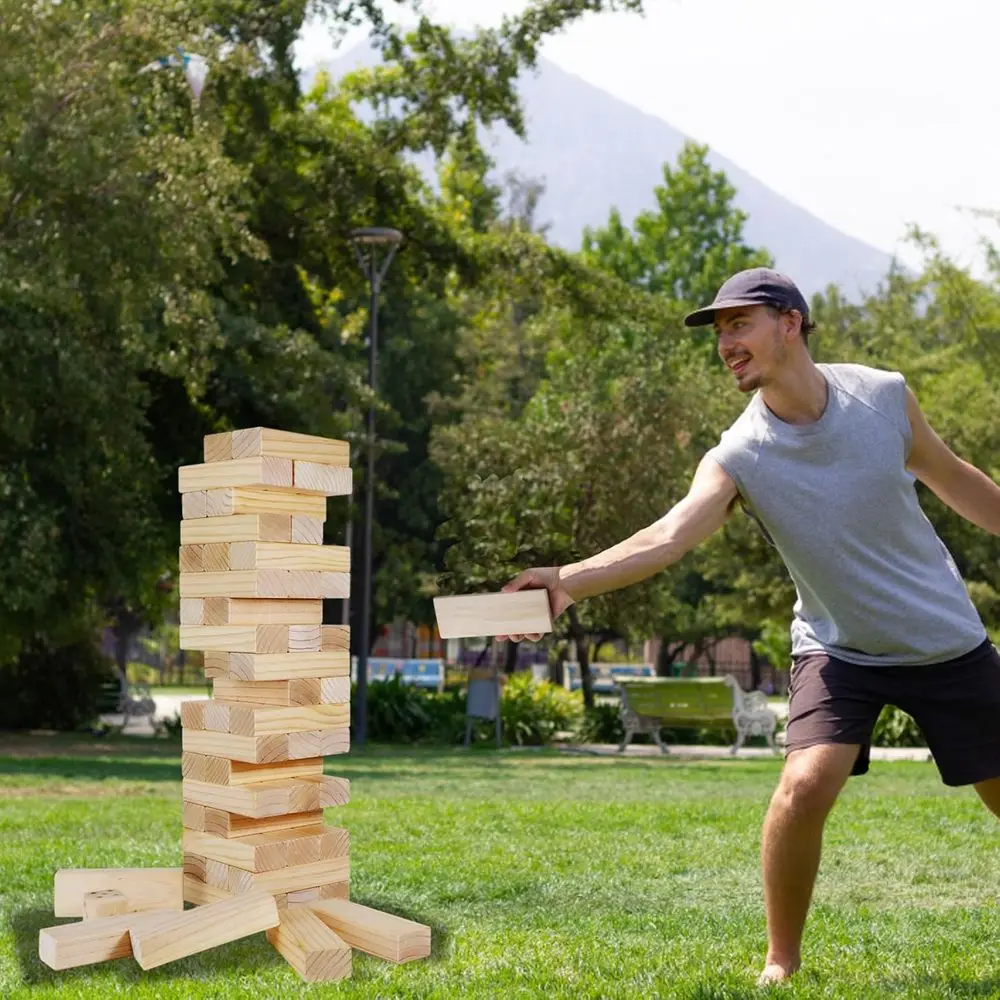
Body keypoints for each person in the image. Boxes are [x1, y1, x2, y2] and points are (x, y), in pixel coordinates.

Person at [499, 267, 1000, 986]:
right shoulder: (740, 453)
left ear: (790, 323)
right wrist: (567, 582)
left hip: (942, 639)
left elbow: (953, 477)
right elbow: (669, 536)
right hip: (839, 647)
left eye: (739, 324)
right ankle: (780, 963)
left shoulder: (882, 396)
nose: (726, 343)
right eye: (719, 332)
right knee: (804, 786)